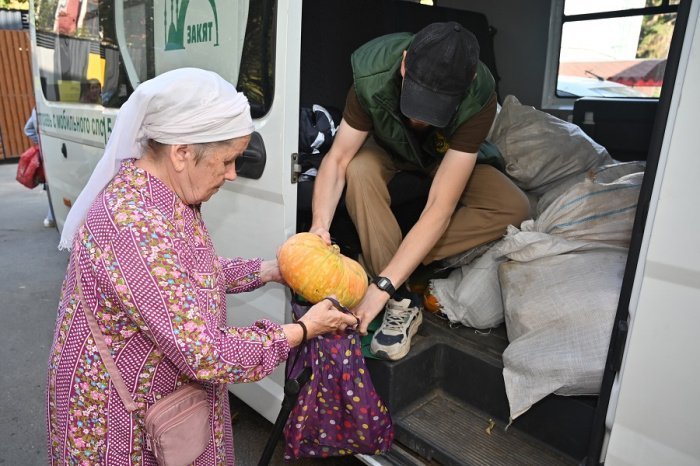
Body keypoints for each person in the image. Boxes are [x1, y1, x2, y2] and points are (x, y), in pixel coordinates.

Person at [47, 68, 359, 464]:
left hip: (157, 401)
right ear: (181, 153)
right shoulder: (134, 224)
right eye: (227, 160)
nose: (232, 174)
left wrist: (268, 270)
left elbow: (187, 277)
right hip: (119, 421)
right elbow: (206, 353)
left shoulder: (164, 195)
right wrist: (302, 329)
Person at [310, 22, 530, 360]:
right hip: (387, 149)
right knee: (358, 167)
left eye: (435, 107)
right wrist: (319, 227)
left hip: (444, 155)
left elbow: (441, 206)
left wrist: (380, 286)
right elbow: (337, 159)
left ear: (468, 83)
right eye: (416, 100)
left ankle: (387, 271)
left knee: (513, 205)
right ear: (404, 63)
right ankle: (401, 297)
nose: (420, 120)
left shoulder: (480, 94)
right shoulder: (371, 76)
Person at [23, 108, 55, 228]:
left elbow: (28, 129)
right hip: (52, 151)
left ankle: (51, 216)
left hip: (45, 152)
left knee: (50, 183)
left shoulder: (36, 110)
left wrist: (40, 141)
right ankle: (51, 216)